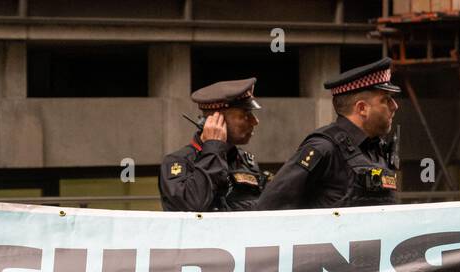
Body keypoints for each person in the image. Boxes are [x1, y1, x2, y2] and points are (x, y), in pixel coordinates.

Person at [256, 57, 400, 210]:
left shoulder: (378, 149)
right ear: (362, 108)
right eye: (386, 100)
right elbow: (269, 206)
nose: (395, 106)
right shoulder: (324, 148)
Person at [159, 78, 266, 212]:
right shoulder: (178, 162)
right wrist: (213, 149)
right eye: (246, 114)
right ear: (216, 120)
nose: (255, 121)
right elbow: (193, 206)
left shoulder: (246, 161)